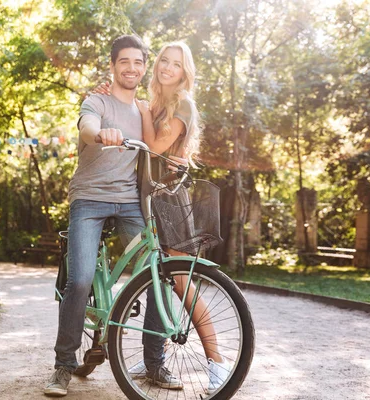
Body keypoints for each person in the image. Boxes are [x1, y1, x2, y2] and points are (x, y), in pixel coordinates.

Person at [44, 35, 183, 398]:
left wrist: (182, 159)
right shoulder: (97, 100)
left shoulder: (144, 111)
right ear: (113, 65)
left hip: (128, 203)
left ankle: (154, 362)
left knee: (157, 274)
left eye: (139, 62)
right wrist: (100, 134)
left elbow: (159, 145)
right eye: (125, 61)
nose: (132, 68)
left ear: (143, 67)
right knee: (80, 280)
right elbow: (87, 127)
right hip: (88, 200)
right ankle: (63, 366)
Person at [93, 41, 230, 394]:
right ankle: (155, 357)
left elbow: (154, 148)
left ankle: (217, 363)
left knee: (181, 282)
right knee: (156, 279)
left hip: (169, 198)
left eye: (176, 64)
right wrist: (107, 94)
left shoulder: (181, 103)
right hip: (146, 199)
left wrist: (140, 113)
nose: (167, 67)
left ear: (186, 72)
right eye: (164, 61)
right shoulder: (154, 103)